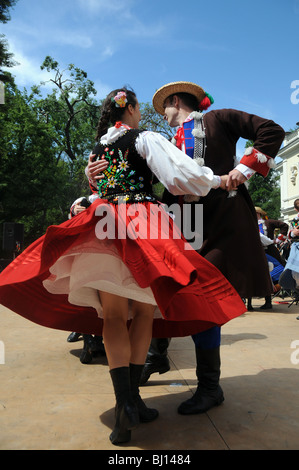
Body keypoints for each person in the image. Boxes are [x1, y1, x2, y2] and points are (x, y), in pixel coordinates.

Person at [0, 87, 247, 446]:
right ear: (129, 109)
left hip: (103, 226)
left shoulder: (98, 149)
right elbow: (179, 174)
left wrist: (88, 184)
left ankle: (124, 408)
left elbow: (99, 191)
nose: (142, 114)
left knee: (112, 317)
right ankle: (131, 401)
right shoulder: (143, 138)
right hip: (141, 225)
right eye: (138, 108)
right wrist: (216, 180)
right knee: (144, 313)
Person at [135, 81, 285, 415]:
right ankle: (156, 357)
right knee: (165, 289)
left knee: (201, 296)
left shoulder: (219, 118)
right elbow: (137, 175)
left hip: (220, 220)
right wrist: (95, 173)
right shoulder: (162, 141)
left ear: (176, 101)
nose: (165, 116)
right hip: (179, 220)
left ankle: (209, 386)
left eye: (166, 109)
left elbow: (271, 130)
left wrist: (243, 169)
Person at [67, 195, 106, 364]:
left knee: (102, 302)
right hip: (87, 255)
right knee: (85, 298)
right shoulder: (84, 199)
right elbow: (71, 219)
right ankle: (89, 340)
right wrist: (75, 211)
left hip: (108, 255)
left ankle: (95, 340)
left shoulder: (119, 195)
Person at [279, 199, 299, 299]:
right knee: (295, 273)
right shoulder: (295, 220)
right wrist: (292, 233)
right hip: (296, 250)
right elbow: (289, 235)